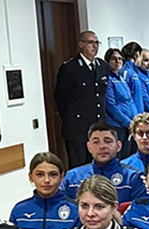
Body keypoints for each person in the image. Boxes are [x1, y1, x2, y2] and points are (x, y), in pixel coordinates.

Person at [55, 31, 108, 167]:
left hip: (98, 126)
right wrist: (72, 118)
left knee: (99, 164)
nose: (94, 46)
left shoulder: (103, 66)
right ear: (81, 45)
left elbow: (101, 95)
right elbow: (61, 99)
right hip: (77, 128)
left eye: (97, 43)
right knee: (79, 167)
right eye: (90, 43)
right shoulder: (70, 68)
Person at [63, 122, 146, 203]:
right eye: (96, 142)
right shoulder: (72, 177)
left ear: (118, 146)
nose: (102, 146)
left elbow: (141, 211)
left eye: (108, 141)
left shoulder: (133, 177)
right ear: (89, 147)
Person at [10, 152, 80, 229]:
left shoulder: (75, 210)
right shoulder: (19, 210)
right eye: (40, 174)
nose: (47, 180)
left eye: (53, 175)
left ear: (62, 177)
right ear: (31, 177)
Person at [104, 48, 136, 136]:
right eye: (114, 59)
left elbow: (130, 100)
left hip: (129, 125)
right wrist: (128, 122)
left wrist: (135, 120)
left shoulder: (122, 79)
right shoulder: (108, 80)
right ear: (108, 61)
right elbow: (111, 106)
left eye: (120, 58)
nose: (117, 61)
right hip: (117, 126)